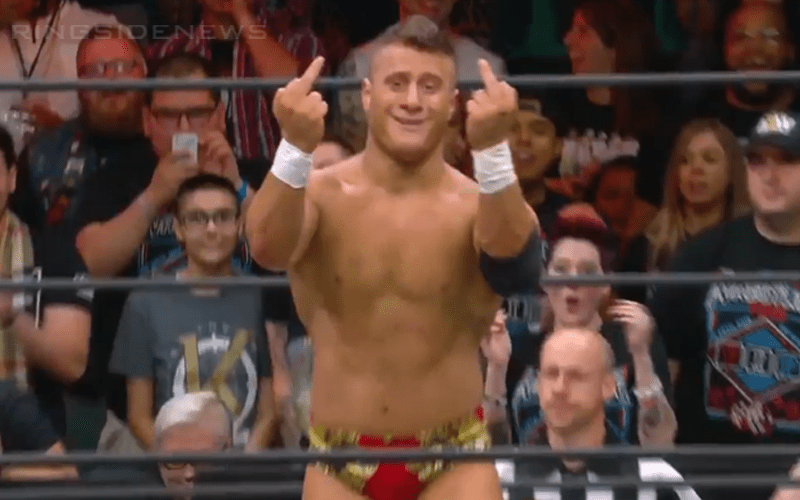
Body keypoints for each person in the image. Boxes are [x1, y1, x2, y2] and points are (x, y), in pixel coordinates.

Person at [246, 15, 539, 500]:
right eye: (397, 83)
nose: (412, 100)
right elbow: (266, 248)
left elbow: (517, 261)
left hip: (454, 459)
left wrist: (492, 153)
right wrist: (293, 147)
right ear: (367, 95)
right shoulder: (320, 194)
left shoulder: (476, 203)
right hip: (339, 459)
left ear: (453, 103)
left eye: (430, 86)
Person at [649, 110, 800, 500]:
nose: (770, 175)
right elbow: (666, 370)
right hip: (705, 477)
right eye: (758, 161)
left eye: (786, 161)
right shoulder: (701, 255)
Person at [109, 174, 277, 451]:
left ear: (239, 226)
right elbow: (139, 417)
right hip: (172, 465)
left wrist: (245, 464)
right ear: (179, 229)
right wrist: (179, 466)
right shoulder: (144, 301)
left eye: (223, 217)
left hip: (244, 466)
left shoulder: (258, 295)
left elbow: (268, 412)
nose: (211, 229)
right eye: (198, 218)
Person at [500, 205, 674, 446]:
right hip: (532, 470)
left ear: (606, 283)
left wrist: (642, 355)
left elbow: (662, 443)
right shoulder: (520, 346)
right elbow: (494, 447)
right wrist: (494, 368)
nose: (573, 281)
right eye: (561, 269)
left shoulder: (633, 341)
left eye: (588, 271)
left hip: (615, 470)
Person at [505, 328, 701, 500]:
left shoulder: (655, 480)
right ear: (538, 385)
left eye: (576, 376)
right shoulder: (501, 480)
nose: (559, 388)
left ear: (608, 386)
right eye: (551, 374)